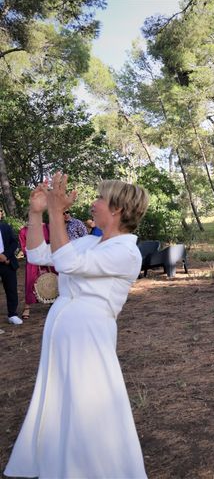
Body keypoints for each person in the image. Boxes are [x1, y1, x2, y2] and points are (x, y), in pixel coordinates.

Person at [5, 173, 149, 478]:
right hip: (63, 336)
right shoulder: (88, 242)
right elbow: (37, 254)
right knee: (64, 402)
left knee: (88, 403)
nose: (92, 204)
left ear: (117, 210)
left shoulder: (126, 251)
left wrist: (56, 212)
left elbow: (67, 263)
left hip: (89, 338)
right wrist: (36, 213)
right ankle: (62, 467)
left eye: (99, 199)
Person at [18, 223, 56, 321]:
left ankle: (53, 302)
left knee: (52, 280)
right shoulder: (24, 231)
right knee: (30, 282)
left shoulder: (47, 227)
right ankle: (27, 307)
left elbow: (53, 242)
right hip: (33, 259)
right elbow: (23, 246)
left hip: (47, 257)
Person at [0, 209, 20, 327]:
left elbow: (14, 243)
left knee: (11, 289)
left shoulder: (5, 227)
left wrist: (6, 256)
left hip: (7, 263)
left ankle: (12, 314)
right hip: (2, 259)